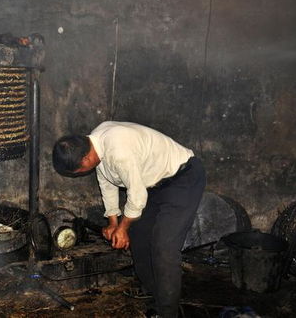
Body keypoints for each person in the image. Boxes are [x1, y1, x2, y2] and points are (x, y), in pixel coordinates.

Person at [52, 121, 206, 318]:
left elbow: (137, 196)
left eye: (78, 171)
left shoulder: (118, 150)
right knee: (139, 236)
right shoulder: (95, 143)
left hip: (182, 178)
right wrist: (113, 223)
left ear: (86, 157)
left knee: (164, 246)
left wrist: (122, 228)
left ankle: (168, 312)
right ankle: (154, 293)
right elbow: (106, 183)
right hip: (154, 185)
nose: (79, 175)